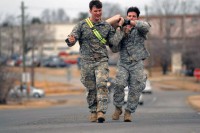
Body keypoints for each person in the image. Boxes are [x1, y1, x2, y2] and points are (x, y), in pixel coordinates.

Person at [65, 0, 124, 123]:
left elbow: (113, 44)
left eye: (100, 11)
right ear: (90, 11)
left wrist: (119, 29)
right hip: (86, 62)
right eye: (95, 11)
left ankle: (101, 111)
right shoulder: (82, 25)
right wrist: (70, 40)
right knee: (91, 88)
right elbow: (72, 39)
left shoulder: (106, 26)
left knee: (102, 84)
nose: (98, 13)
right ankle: (93, 110)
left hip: (101, 60)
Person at [111, 7, 151, 122]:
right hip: (123, 63)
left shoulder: (140, 29)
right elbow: (114, 47)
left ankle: (128, 112)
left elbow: (146, 26)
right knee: (119, 84)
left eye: (133, 16)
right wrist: (122, 32)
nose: (131, 18)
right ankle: (118, 108)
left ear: (137, 18)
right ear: (126, 16)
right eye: (129, 16)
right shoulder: (121, 29)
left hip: (136, 63)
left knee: (135, 88)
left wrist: (132, 23)